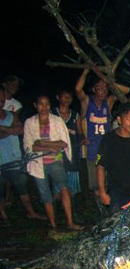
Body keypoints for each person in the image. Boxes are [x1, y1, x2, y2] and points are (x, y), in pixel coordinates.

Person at [23, 95, 82, 230]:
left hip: (55, 160)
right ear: (35, 105)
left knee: (64, 188)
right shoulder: (30, 122)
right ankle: (53, 224)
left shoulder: (57, 121)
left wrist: (42, 143)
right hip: (37, 163)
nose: (44, 107)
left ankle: (70, 222)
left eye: (47, 104)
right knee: (45, 194)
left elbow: (63, 143)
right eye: (41, 104)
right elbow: (29, 146)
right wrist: (51, 146)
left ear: (50, 105)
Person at [75, 68, 130, 193]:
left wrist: (109, 82)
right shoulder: (87, 102)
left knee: (108, 180)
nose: (103, 91)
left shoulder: (108, 102)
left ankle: (107, 206)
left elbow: (126, 90)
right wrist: (85, 71)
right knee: (95, 184)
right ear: (94, 89)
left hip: (107, 147)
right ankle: (99, 206)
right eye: (100, 88)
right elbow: (78, 89)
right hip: (92, 148)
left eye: (105, 89)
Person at [0, 87, 45, 222]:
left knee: (22, 185)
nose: (0, 102)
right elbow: (14, 130)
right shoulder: (12, 118)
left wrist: (3, 128)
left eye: (2, 99)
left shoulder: (11, 115)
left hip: (14, 158)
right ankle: (4, 216)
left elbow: (20, 130)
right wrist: (11, 130)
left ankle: (31, 212)